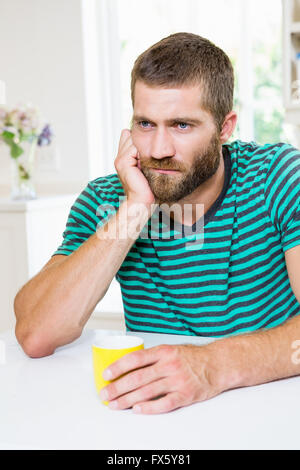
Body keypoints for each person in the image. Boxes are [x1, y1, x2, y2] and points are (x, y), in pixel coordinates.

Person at [14, 32, 300, 414]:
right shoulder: (106, 200)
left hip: (270, 407)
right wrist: (135, 208)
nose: (158, 150)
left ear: (226, 127)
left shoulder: (279, 178)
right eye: (145, 124)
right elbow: (36, 334)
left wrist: (211, 366)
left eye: (181, 125)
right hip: (156, 417)